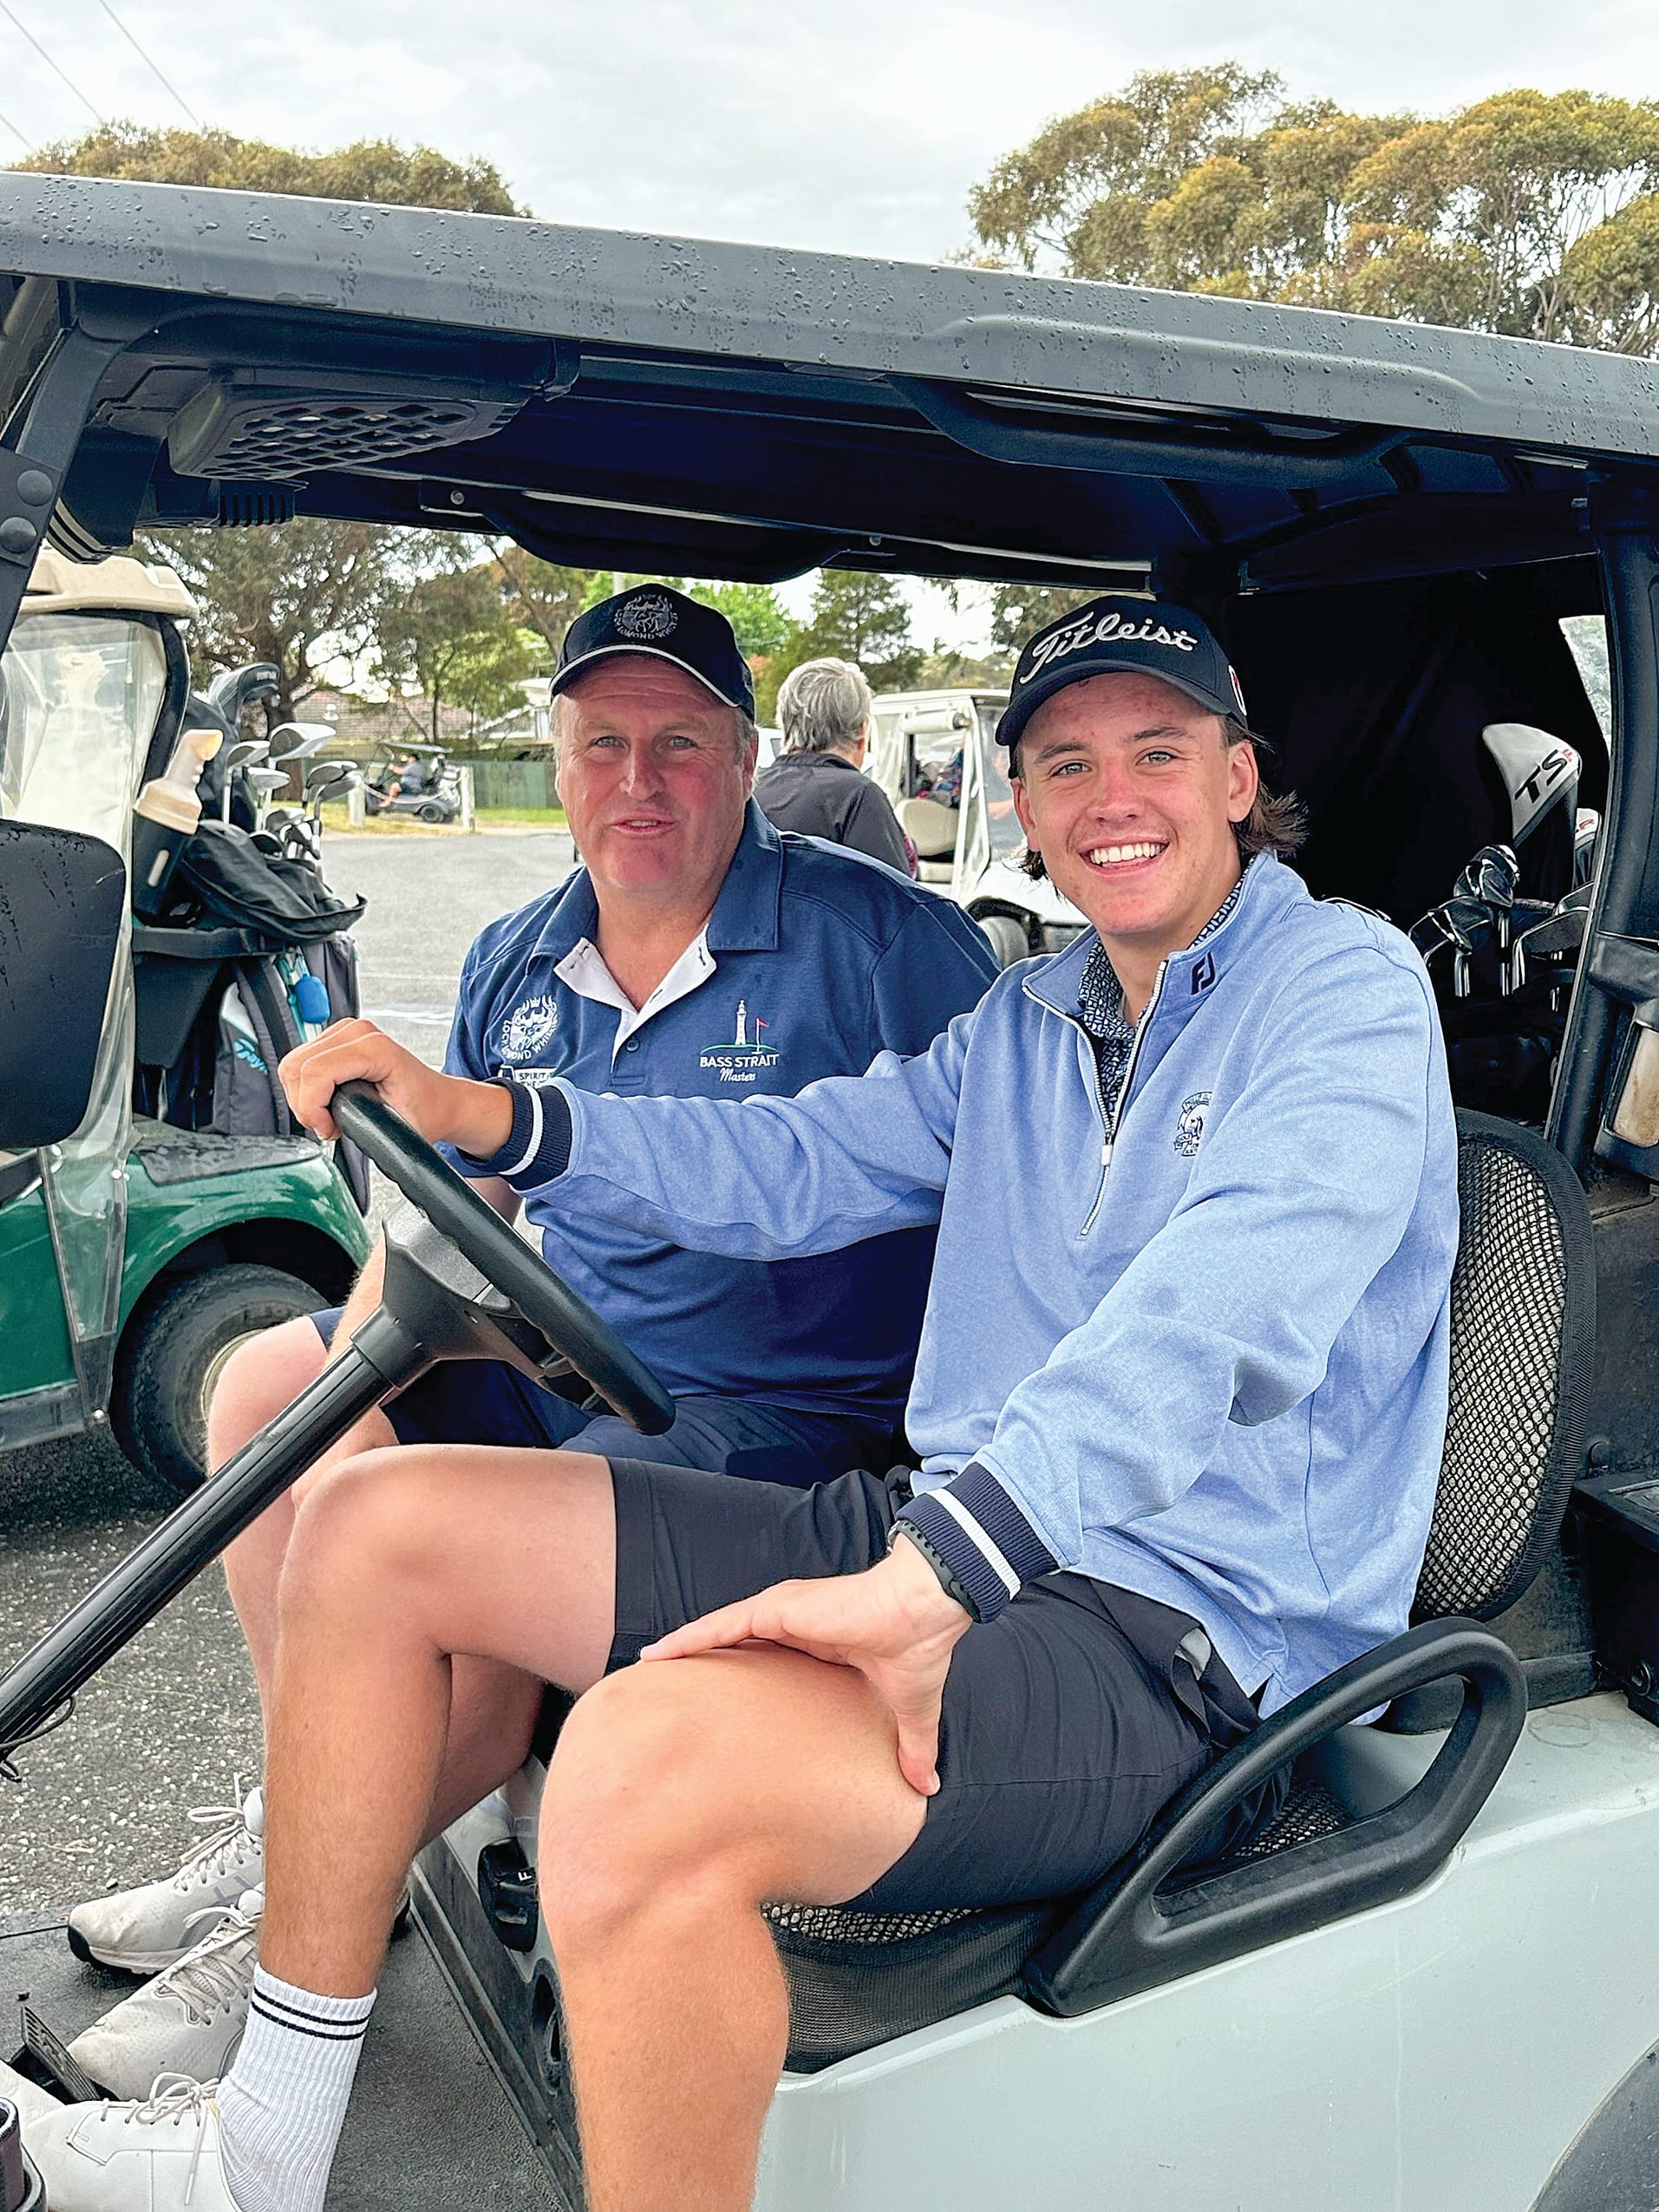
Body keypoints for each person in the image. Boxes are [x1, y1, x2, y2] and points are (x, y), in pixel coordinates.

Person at [26, 594, 1459, 2212]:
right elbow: (790, 1157)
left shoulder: (1338, 987)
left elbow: (1227, 1303)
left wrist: (947, 1566)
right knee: (373, 1524)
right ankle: (263, 2151)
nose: (1107, 798)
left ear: (1233, 776)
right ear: (1032, 807)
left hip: (1165, 1625)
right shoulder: (1034, 1017)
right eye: (1065, 765)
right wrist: (503, 1116)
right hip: (953, 1536)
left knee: (638, 1766)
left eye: (1154, 753)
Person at [54, 584, 997, 2104]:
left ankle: (298, 1916)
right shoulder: (517, 956)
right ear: (555, 763)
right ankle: (301, 1813)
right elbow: (446, 1211)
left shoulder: (883, 946)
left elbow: (988, 1186)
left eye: (680, 744)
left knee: (435, 1540)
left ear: (743, 760)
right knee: (266, 1383)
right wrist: (349, 1389)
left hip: (775, 1419)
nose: (640, 782)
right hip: (565, 1360)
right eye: (602, 742)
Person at [754, 656, 913, 872]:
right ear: (862, 729)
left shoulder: (749, 790)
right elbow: (894, 900)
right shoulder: (858, 797)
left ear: (783, 722)